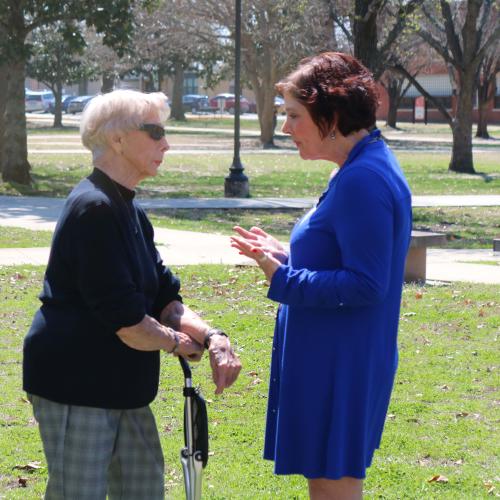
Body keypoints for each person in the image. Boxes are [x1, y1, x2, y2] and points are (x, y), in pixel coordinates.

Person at [23, 89, 241, 500]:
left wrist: (212, 337)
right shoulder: (94, 208)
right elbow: (128, 324)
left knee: (142, 490)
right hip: (77, 383)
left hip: (124, 387)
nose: (166, 143)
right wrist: (180, 345)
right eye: (155, 132)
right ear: (117, 139)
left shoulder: (130, 210)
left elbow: (164, 297)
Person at [231, 52, 412, 499]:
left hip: (341, 363)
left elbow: (369, 282)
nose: (286, 128)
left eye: (294, 115)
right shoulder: (358, 168)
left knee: (334, 488)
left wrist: (284, 277)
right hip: (335, 356)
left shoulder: (363, 179)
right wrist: (288, 255)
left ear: (329, 115)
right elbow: (343, 256)